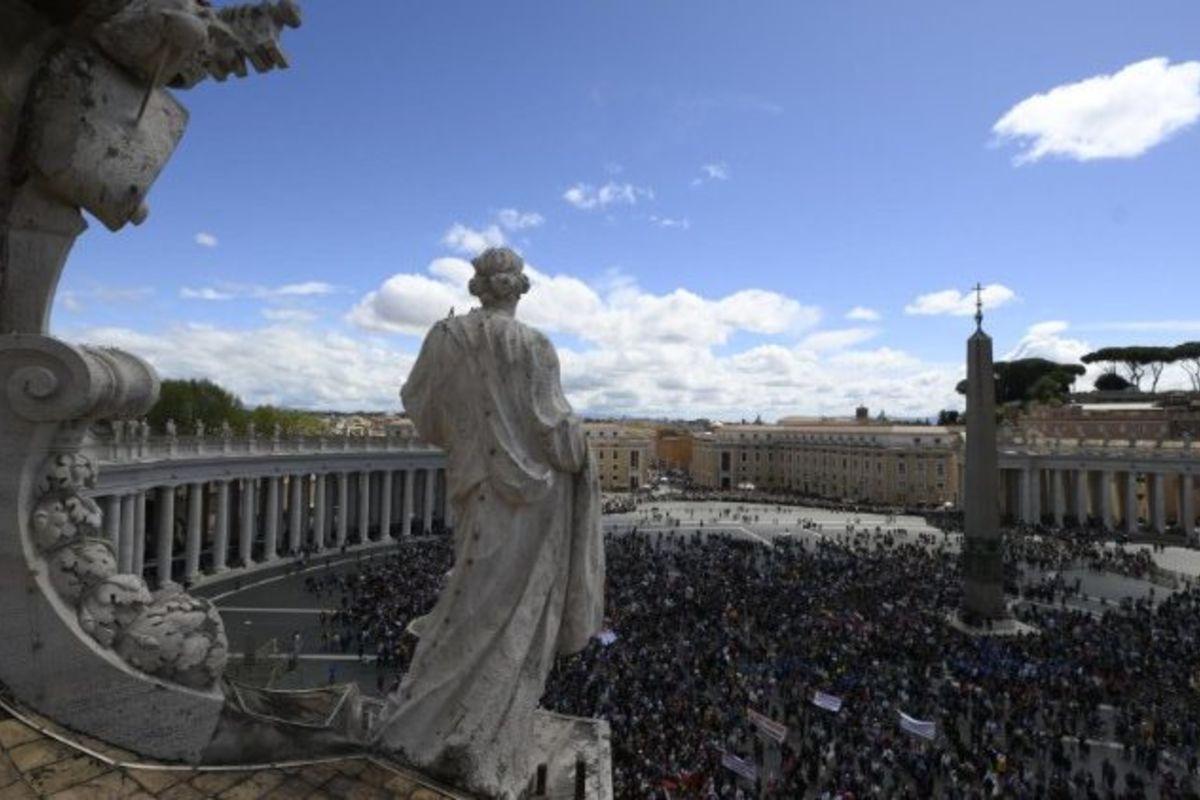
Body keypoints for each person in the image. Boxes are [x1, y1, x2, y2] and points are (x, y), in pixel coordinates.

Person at [373, 247, 604, 799]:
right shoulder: (535, 346)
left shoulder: (444, 337)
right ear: (519, 289)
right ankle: (483, 737)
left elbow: (421, 410)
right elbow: (557, 434)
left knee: (471, 598)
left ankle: (437, 724)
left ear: (478, 287)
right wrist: (583, 447)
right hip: (535, 501)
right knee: (512, 616)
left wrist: (469, 429)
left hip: (475, 484)